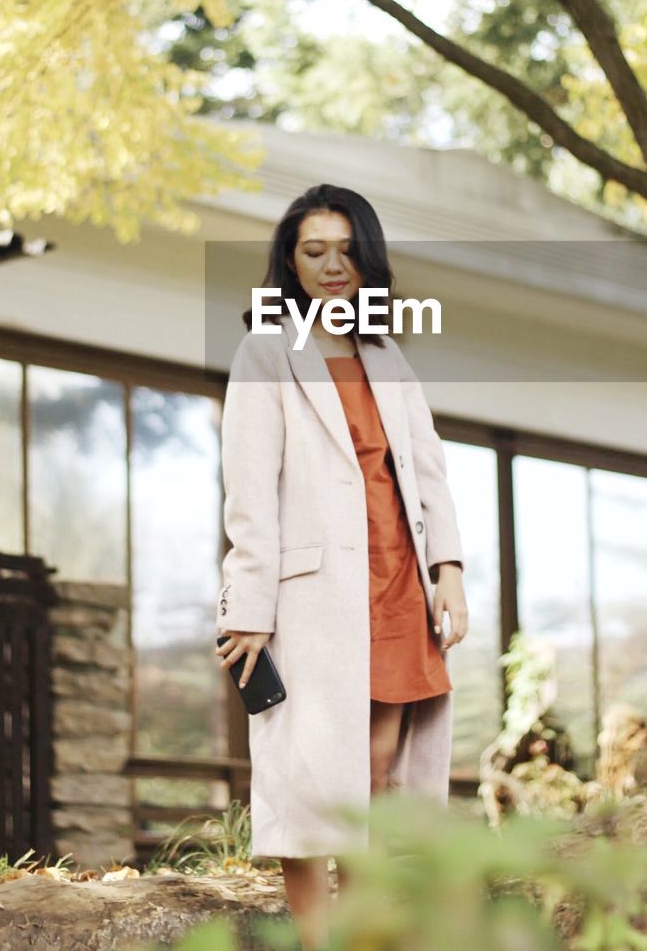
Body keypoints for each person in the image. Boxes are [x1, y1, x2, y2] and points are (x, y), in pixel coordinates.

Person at [214, 184, 468, 950]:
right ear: (289, 263)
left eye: (346, 250)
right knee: (311, 779)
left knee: (375, 775)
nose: (332, 266)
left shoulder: (386, 355)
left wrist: (448, 568)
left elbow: (427, 470)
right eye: (313, 251)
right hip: (313, 596)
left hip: (394, 584)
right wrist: (246, 609)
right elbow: (249, 491)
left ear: (368, 256)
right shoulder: (263, 351)